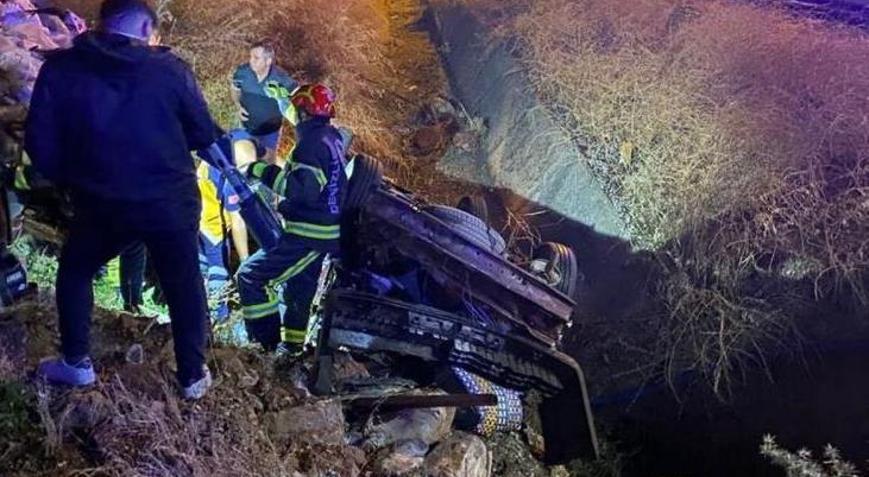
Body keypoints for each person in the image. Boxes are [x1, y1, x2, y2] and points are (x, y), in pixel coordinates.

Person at [25, 0, 220, 399]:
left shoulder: (61, 69)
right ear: (148, 32)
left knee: (77, 270)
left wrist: (66, 182)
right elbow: (203, 134)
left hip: (101, 201)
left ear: (100, 25)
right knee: (183, 282)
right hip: (169, 202)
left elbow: (40, 143)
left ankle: (77, 363)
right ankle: (192, 376)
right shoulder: (170, 71)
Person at [236, 84, 346, 356]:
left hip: (310, 235)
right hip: (322, 232)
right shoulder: (331, 139)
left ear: (304, 113)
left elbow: (302, 191)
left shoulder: (310, 145)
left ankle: (265, 346)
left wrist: (261, 170)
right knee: (299, 290)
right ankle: (293, 348)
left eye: (296, 110)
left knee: (252, 277)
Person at [197, 132, 251, 323]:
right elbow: (237, 222)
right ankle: (219, 316)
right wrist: (246, 260)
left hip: (196, 215)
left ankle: (198, 306)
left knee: (201, 264)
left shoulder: (227, 148)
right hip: (213, 225)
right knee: (218, 268)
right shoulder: (229, 180)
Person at [231, 40, 297, 164]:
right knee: (241, 162)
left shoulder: (281, 79)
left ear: (268, 61)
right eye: (250, 57)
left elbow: (297, 97)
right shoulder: (242, 73)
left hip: (270, 132)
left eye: (256, 58)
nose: (251, 61)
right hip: (245, 128)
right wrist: (238, 105)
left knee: (267, 164)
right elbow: (235, 89)